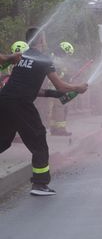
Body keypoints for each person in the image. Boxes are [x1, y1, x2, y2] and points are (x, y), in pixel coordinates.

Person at [0, 28, 88, 196]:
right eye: (44, 38)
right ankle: (40, 185)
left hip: (4, 100)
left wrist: (53, 95)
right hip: (21, 104)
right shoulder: (44, 59)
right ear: (40, 40)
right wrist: (78, 87)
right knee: (39, 139)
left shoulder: (22, 57)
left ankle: (40, 184)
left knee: (3, 140)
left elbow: (29, 87)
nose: (46, 41)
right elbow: (61, 85)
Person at [50, 41, 75, 136]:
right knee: (61, 107)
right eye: (67, 54)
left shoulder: (53, 57)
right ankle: (60, 129)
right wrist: (67, 77)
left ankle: (54, 128)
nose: (67, 57)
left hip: (53, 88)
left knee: (55, 108)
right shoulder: (57, 60)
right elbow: (59, 74)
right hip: (57, 88)